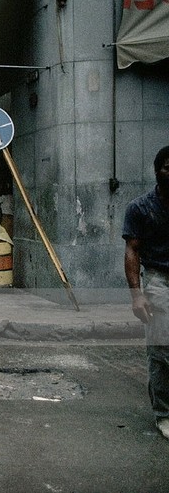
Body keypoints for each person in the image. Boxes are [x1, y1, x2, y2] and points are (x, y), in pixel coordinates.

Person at [123, 145, 169, 440]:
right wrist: (137, 294)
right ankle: (164, 414)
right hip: (159, 280)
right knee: (162, 350)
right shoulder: (141, 208)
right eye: (168, 167)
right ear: (157, 171)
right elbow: (132, 251)